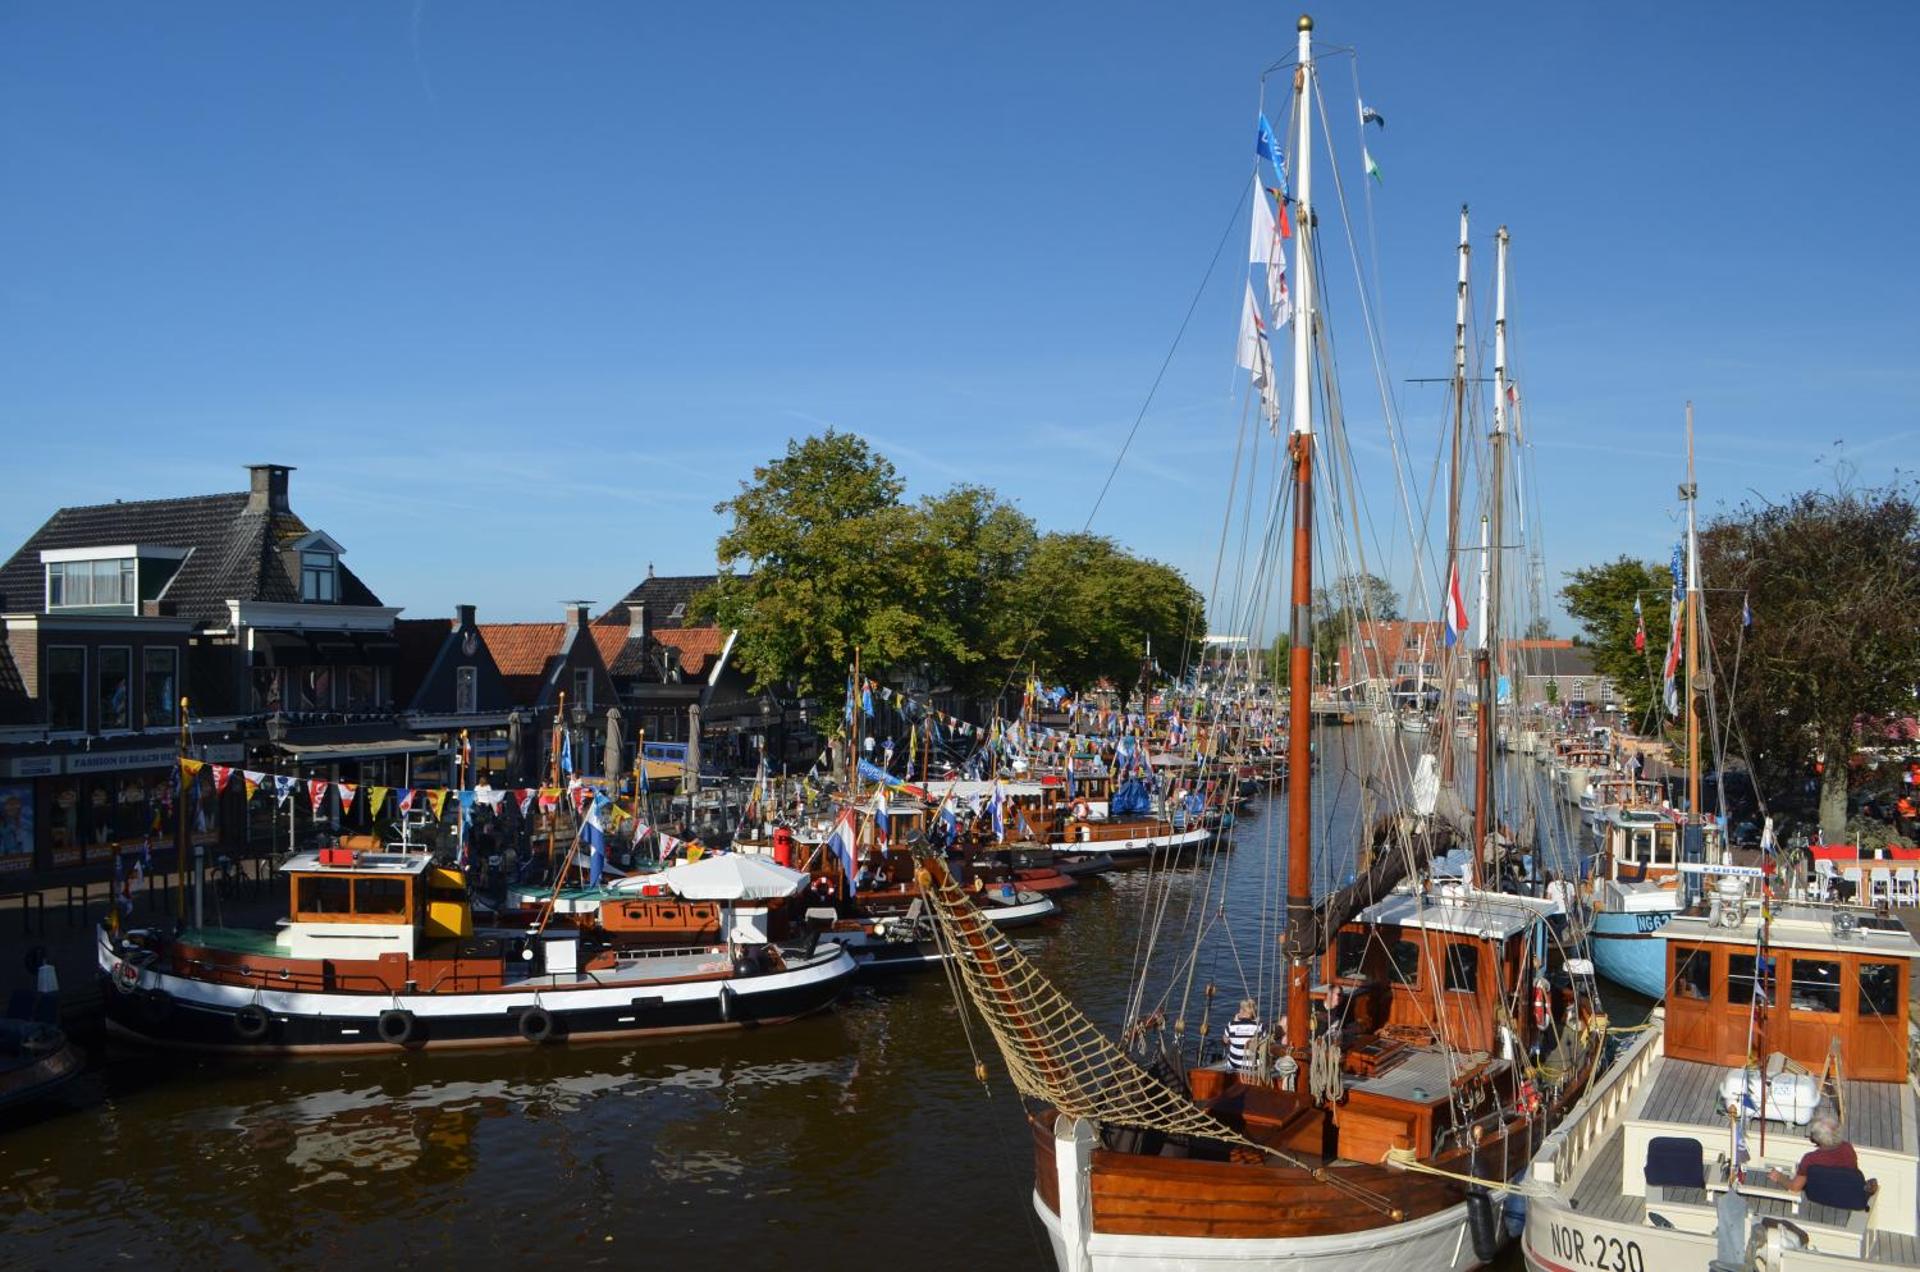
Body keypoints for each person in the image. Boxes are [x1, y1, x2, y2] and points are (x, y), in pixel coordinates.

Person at [1769, 1110, 1860, 1193]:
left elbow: (1795, 1187)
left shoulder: (1810, 1159)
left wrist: (1778, 1176)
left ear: (1817, 1139)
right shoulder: (1848, 1148)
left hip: (1820, 1193)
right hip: (1843, 1190)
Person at [1223, 999, 1263, 1073]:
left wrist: (1235, 1021)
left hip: (1235, 1065)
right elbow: (1263, 1040)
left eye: (1240, 1009)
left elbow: (1225, 1040)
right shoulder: (1259, 1026)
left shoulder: (1231, 1025)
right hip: (1254, 1066)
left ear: (1242, 1011)